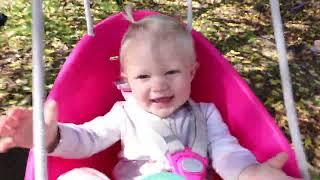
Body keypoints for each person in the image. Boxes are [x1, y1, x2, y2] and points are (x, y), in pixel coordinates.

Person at [0, 7, 300, 180]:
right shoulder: (125, 113)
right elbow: (88, 140)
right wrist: (50, 138)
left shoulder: (205, 113)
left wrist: (249, 173)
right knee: (78, 177)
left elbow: (226, 151)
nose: (159, 85)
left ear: (191, 72)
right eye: (143, 76)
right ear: (126, 80)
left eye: (171, 72)